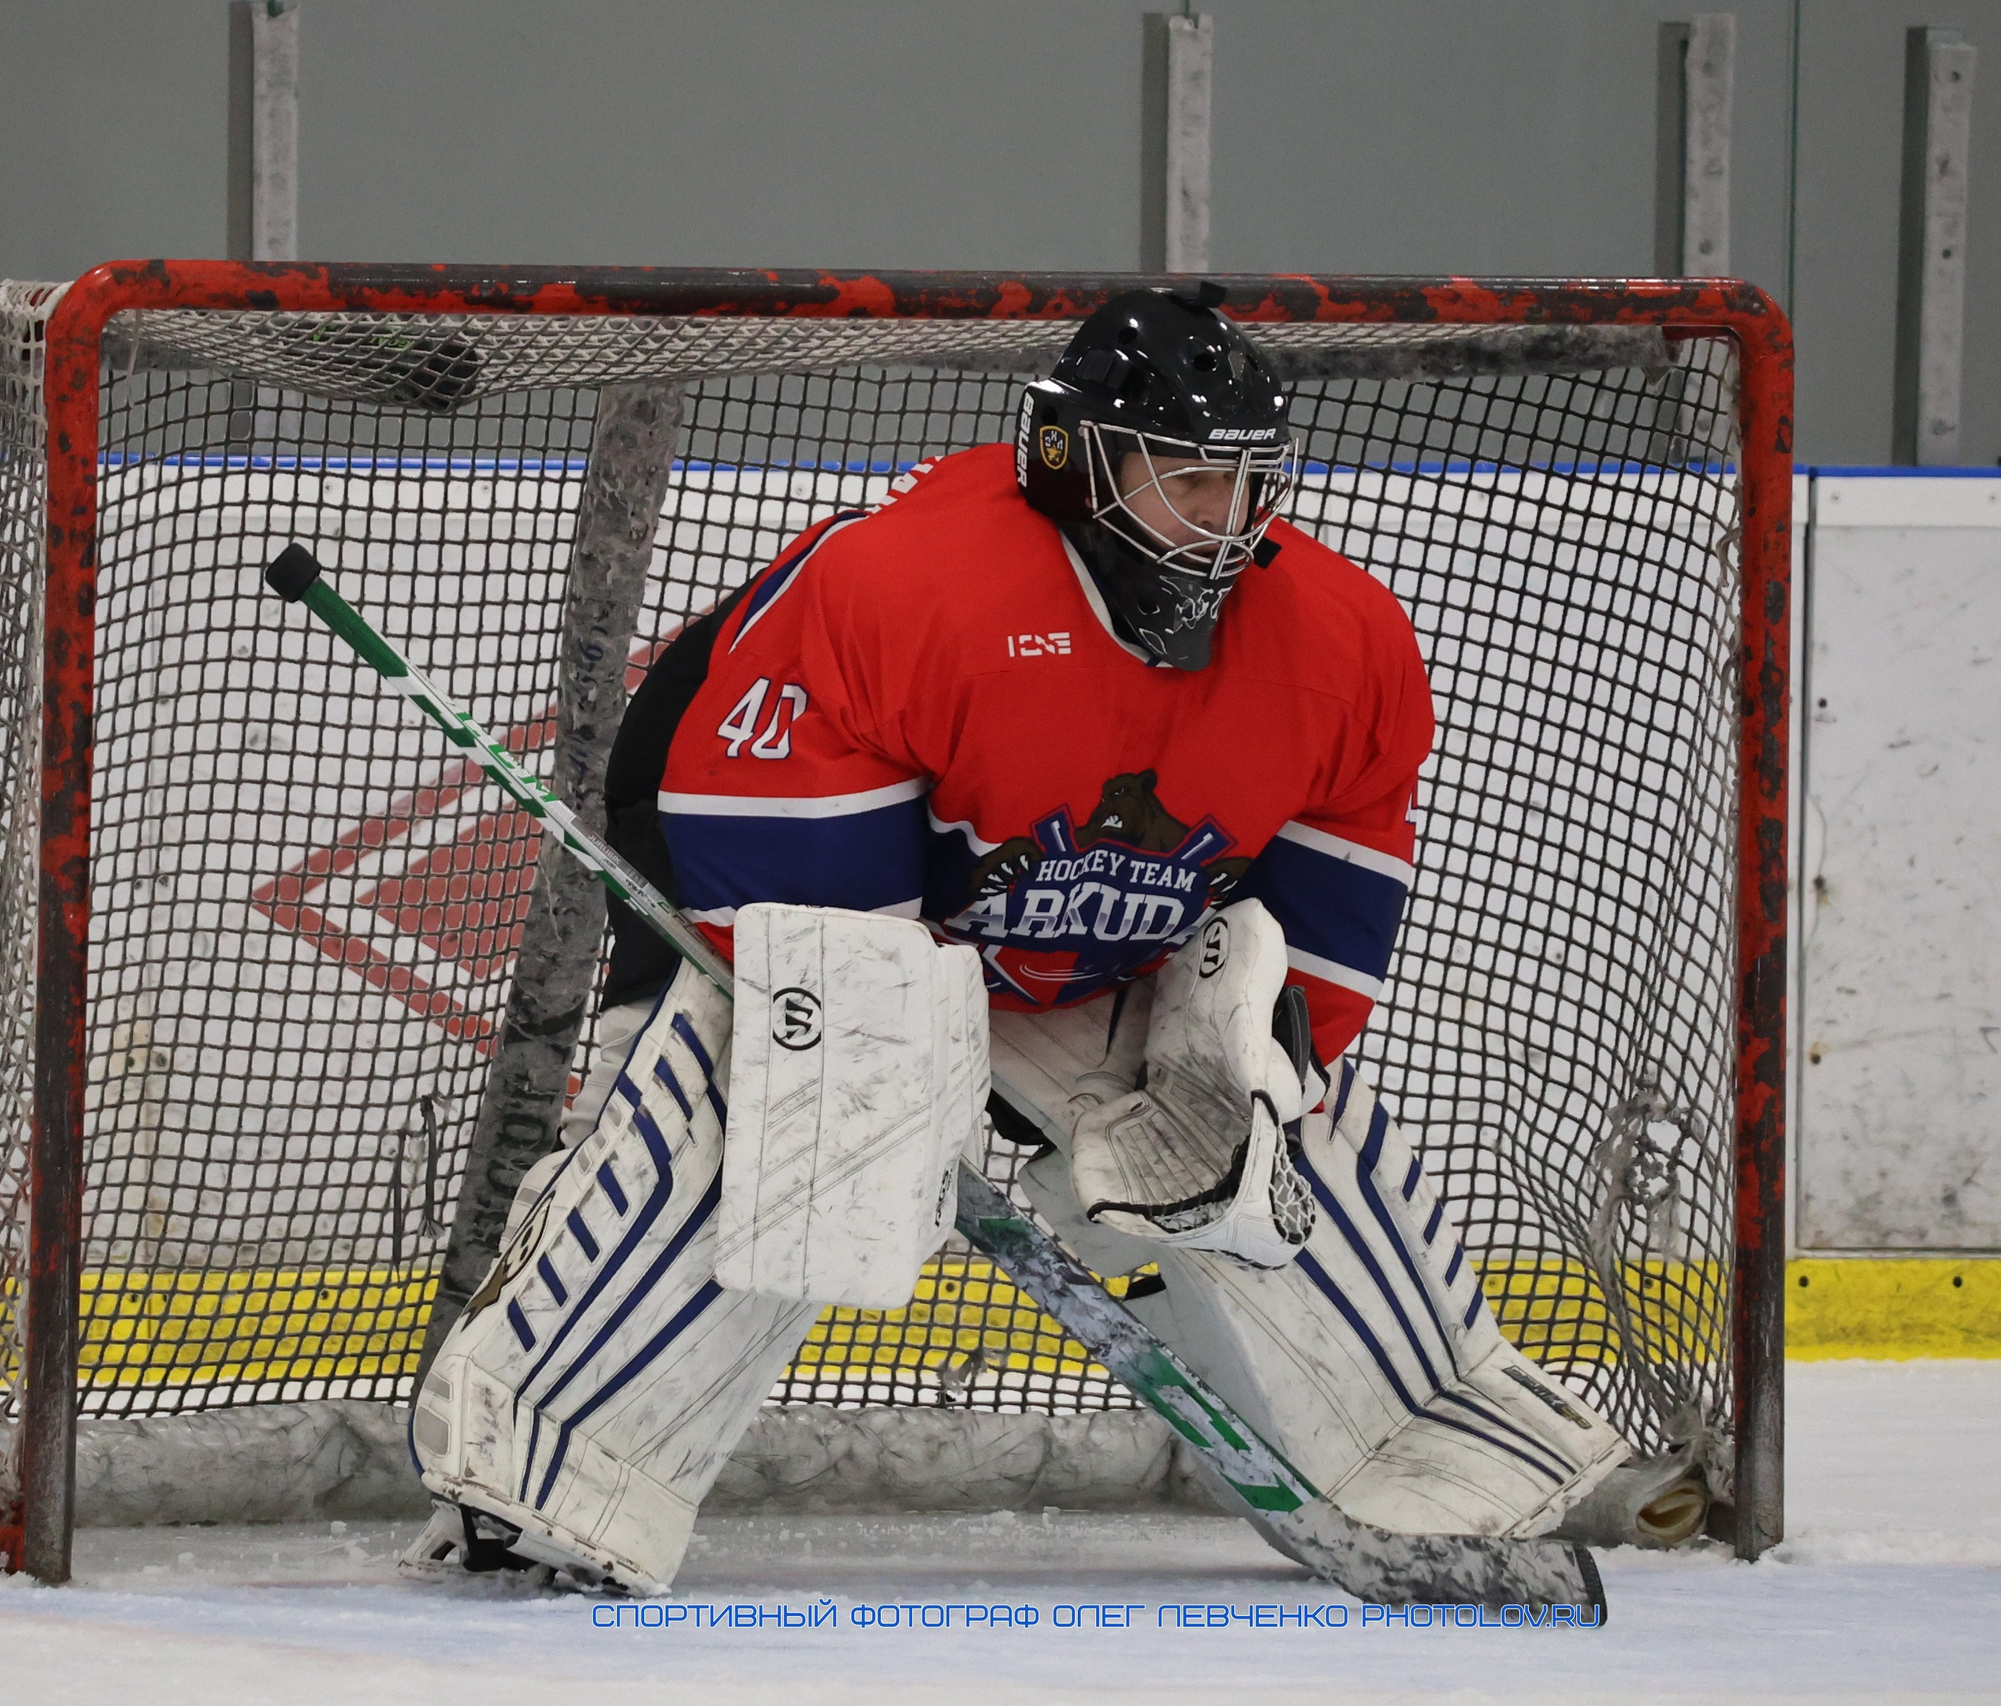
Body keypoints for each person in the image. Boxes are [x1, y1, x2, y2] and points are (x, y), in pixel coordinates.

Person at [403, 290, 1638, 1595]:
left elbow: (1326, 888)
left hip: (1066, 916)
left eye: (1243, 482)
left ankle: (1431, 1439)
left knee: (1281, 1126)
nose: (1222, 520)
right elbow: (799, 906)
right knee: (782, 1118)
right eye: (1182, 481)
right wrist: (893, 1076)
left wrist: (1251, 1058)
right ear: (1070, 458)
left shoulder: (1341, 642)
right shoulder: (913, 589)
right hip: (763, 837)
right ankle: (542, 1466)